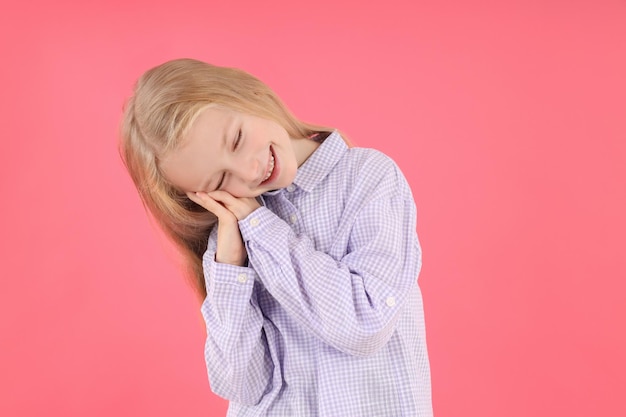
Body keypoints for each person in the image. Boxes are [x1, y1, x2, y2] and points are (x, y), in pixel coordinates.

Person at [119, 58, 433, 417]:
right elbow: (242, 386)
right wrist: (229, 267)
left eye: (236, 139)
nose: (249, 171)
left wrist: (261, 227)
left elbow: (365, 324)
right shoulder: (231, 239)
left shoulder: (368, 177)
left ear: (246, 94)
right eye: (220, 181)